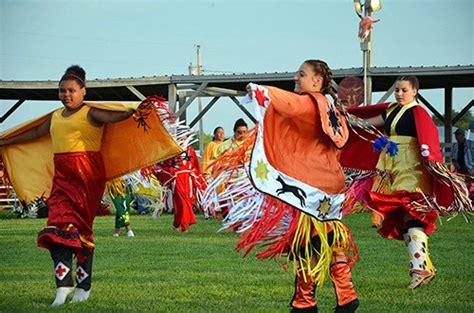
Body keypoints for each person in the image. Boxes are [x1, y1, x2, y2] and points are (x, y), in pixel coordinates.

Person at [0, 65, 182, 306]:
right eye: (62, 91)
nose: (66, 95)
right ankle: (64, 286)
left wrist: (135, 110)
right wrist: (5, 140)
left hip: (87, 176)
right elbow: (33, 132)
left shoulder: (91, 113)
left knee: (80, 230)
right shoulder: (55, 117)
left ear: (83, 91)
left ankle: (83, 287)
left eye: (71, 90)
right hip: (62, 177)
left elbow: (115, 115)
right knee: (56, 228)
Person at [205, 60, 359, 312]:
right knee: (331, 241)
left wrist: (258, 90)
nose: (295, 78)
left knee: (306, 244)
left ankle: (305, 302)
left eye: (301, 74)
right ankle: (346, 295)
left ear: (317, 81)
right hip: (330, 187)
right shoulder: (331, 107)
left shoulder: (308, 102)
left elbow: (286, 102)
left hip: (310, 188)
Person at [345, 76, 471, 290]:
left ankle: (420, 268)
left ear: (415, 92)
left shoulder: (418, 113)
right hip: (393, 167)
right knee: (402, 216)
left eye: (404, 90)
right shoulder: (392, 111)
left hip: (413, 169)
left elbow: (428, 139)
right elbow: (365, 124)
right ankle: (423, 266)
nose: (399, 94)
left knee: (411, 213)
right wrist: (343, 118)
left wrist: (430, 159)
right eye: (397, 90)